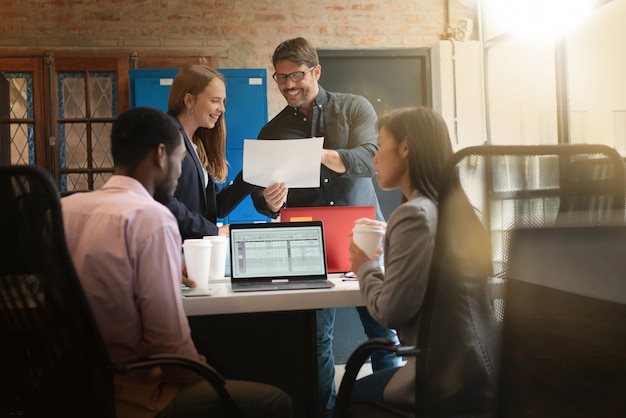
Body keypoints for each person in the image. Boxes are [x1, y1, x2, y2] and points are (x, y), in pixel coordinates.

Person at [61, 107, 292, 418]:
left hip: (75, 389)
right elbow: (171, 350)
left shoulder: (65, 210)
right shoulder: (152, 219)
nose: (182, 172)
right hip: (139, 395)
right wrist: (209, 368)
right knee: (275, 400)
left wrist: (163, 272)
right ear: (160, 154)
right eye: (181, 158)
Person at [250, 37, 399, 418]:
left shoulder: (355, 107)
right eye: (280, 78)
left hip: (363, 232)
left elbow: (369, 159)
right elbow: (260, 200)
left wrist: (314, 153)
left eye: (296, 75)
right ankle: (325, 413)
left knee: (382, 328)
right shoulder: (272, 131)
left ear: (316, 71)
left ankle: (394, 406)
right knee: (316, 339)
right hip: (306, 239)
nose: (287, 85)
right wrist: (270, 201)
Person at [347, 106, 495, 413]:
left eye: (380, 143)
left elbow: (390, 313)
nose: (374, 158)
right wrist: (391, 233)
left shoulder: (413, 214)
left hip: (441, 377)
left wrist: (365, 266)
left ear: (405, 147)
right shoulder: (456, 210)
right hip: (480, 367)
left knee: (343, 395)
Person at [166, 64, 282, 238]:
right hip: (177, 251)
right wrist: (213, 231)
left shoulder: (196, 145)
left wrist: (252, 172)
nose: (223, 109)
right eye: (215, 101)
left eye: (223, 101)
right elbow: (163, 200)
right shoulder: (167, 136)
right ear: (189, 100)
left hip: (197, 250)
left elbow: (217, 207)